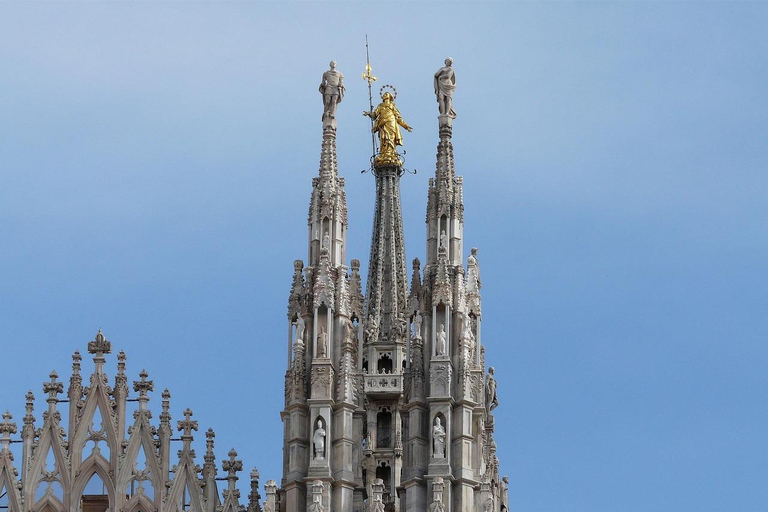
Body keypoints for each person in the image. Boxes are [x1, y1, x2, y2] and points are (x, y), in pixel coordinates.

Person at [363, 92, 412, 165]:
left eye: (386, 94)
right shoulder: (380, 106)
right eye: (384, 94)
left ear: (390, 97)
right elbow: (374, 115)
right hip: (383, 123)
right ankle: (384, 153)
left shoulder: (392, 106)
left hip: (391, 122)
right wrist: (369, 113)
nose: (384, 95)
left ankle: (390, 152)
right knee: (384, 138)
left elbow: (398, 118)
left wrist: (405, 126)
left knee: (391, 137)